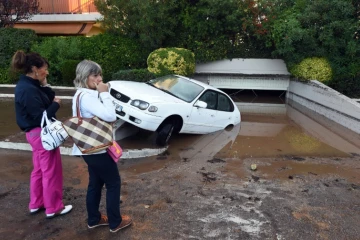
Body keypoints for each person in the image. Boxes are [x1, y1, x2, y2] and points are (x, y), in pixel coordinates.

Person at [72, 60, 132, 233]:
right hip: (97, 148)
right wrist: (105, 93)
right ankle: (115, 222)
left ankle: (94, 219)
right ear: (85, 76)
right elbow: (110, 115)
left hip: (88, 147)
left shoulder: (79, 94)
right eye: (95, 75)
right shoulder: (89, 97)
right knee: (113, 183)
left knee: (95, 183)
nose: (99, 78)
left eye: (100, 74)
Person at [11, 50, 72, 218]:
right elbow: (41, 116)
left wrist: (45, 84)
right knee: (51, 171)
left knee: (39, 170)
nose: (47, 72)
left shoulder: (29, 85)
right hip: (42, 134)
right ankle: (54, 207)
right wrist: (56, 105)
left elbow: (48, 96)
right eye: (44, 68)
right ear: (34, 69)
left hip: (34, 135)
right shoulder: (28, 89)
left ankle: (36, 203)